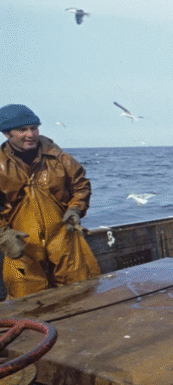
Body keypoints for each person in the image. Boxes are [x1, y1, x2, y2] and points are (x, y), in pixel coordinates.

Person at [0, 104, 100, 299]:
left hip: (63, 233)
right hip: (21, 241)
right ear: (7, 134)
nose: (31, 134)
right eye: (22, 130)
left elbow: (81, 186)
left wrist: (76, 209)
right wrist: (4, 235)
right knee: (25, 300)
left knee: (83, 290)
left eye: (34, 128)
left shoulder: (59, 157)